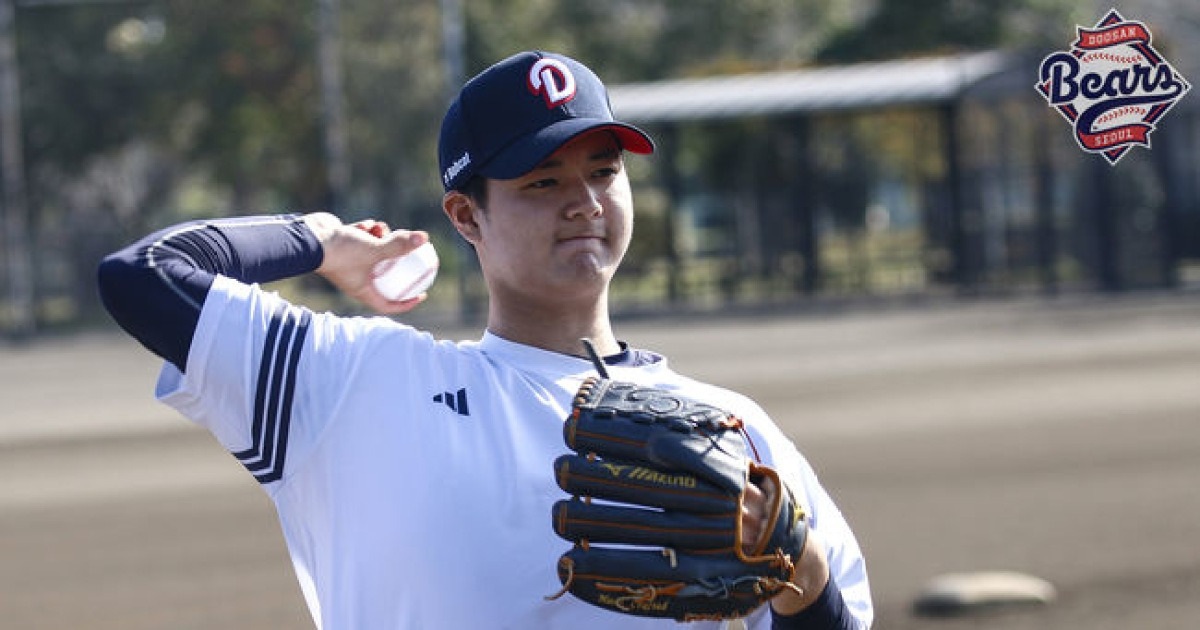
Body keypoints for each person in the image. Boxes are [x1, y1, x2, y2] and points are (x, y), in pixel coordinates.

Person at [97, 50, 873, 629]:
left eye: (603, 173)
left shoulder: (734, 432)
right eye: (543, 182)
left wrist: (799, 576)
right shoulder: (354, 386)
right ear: (466, 216)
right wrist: (325, 240)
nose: (583, 203)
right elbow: (146, 274)